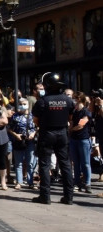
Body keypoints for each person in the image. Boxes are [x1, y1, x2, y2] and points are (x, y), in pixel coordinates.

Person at [31, 72, 75, 205]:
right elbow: (70, 118)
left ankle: (45, 196)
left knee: (44, 165)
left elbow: (36, 121)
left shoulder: (42, 101)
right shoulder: (68, 100)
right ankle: (69, 197)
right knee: (65, 164)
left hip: (47, 133)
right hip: (62, 133)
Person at [8, 97, 37, 190]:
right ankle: (19, 182)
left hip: (30, 141)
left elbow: (37, 127)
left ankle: (30, 182)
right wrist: (16, 135)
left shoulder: (33, 116)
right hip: (18, 141)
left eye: (24, 104)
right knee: (18, 163)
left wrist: (33, 133)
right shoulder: (15, 116)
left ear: (28, 105)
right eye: (20, 104)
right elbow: (9, 128)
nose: (22, 106)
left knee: (30, 163)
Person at [69, 91, 92, 194]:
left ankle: (87, 183)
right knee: (76, 163)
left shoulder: (86, 111)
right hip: (74, 139)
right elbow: (72, 122)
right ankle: (77, 183)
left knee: (85, 163)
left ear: (80, 100)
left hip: (83, 139)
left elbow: (81, 125)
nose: (74, 101)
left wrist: (71, 129)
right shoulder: (74, 111)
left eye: (76, 99)